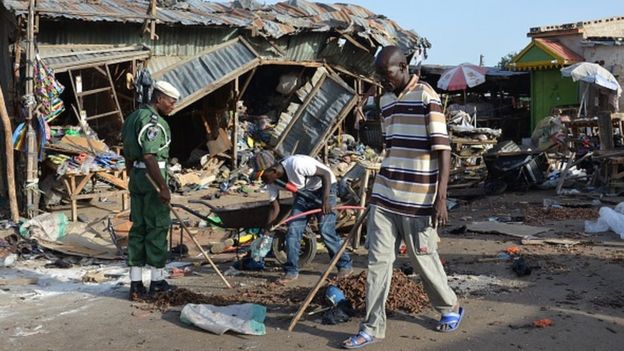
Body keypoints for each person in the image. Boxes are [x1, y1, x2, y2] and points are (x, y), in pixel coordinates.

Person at [342, 46, 463, 349]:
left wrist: (441, 197)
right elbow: (391, 145)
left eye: (388, 74)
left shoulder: (427, 97)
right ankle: (371, 327)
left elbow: (443, 149)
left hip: (419, 198)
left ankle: (449, 306)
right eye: (380, 76)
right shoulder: (384, 100)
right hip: (385, 194)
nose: (384, 80)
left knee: (423, 259)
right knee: (377, 263)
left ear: (404, 66)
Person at [251, 152, 353, 283]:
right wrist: (267, 230)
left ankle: (345, 266)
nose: (262, 180)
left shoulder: (296, 164)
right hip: (302, 195)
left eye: (262, 175)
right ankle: (291, 271)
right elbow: (274, 207)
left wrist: (325, 200)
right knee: (293, 231)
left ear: (274, 171)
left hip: (324, 188)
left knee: (326, 231)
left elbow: (326, 174)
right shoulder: (271, 182)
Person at [122, 81, 180, 301]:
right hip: (152, 178)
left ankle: (135, 284)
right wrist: (163, 187)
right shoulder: (154, 122)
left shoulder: (132, 118)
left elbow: (128, 153)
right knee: (157, 227)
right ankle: (156, 282)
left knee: (138, 228)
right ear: (159, 99)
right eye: (171, 102)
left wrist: (131, 177)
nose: (173, 106)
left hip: (137, 178)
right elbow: (149, 155)